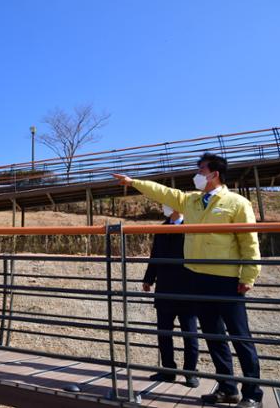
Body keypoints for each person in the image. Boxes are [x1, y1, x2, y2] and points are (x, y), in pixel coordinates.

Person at [114, 153, 263, 408]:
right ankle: (228, 388)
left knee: (240, 337)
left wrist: (249, 275)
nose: (196, 173)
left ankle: (253, 393)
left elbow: (249, 242)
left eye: (200, 169)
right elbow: (163, 192)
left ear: (214, 173)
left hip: (227, 280)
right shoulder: (191, 200)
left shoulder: (237, 203)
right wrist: (133, 182)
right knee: (214, 336)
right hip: (198, 278)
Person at [143, 206, 199, 388]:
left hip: (188, 290)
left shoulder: (191, 226)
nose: (164, 207)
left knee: (189, 335)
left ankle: (190, 373)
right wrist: (148, 279)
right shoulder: (162, 228)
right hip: (165, 289)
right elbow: (155, 255)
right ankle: (168, 371)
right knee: (164, 333)